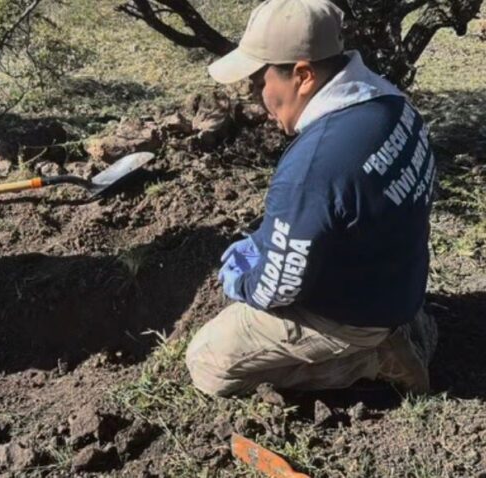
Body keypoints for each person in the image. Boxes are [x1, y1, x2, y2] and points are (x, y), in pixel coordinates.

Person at [185, 0, 438, 397]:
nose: (255, 96)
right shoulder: (392, 103)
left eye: (258, 81)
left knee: (207, 363)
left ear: (302, 75)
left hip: (356, 313)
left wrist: (244, 282)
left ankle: (372, 358)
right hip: (397, 279)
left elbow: (278, 289)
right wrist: (266, 242)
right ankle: (404, 324)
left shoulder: (313, 167)